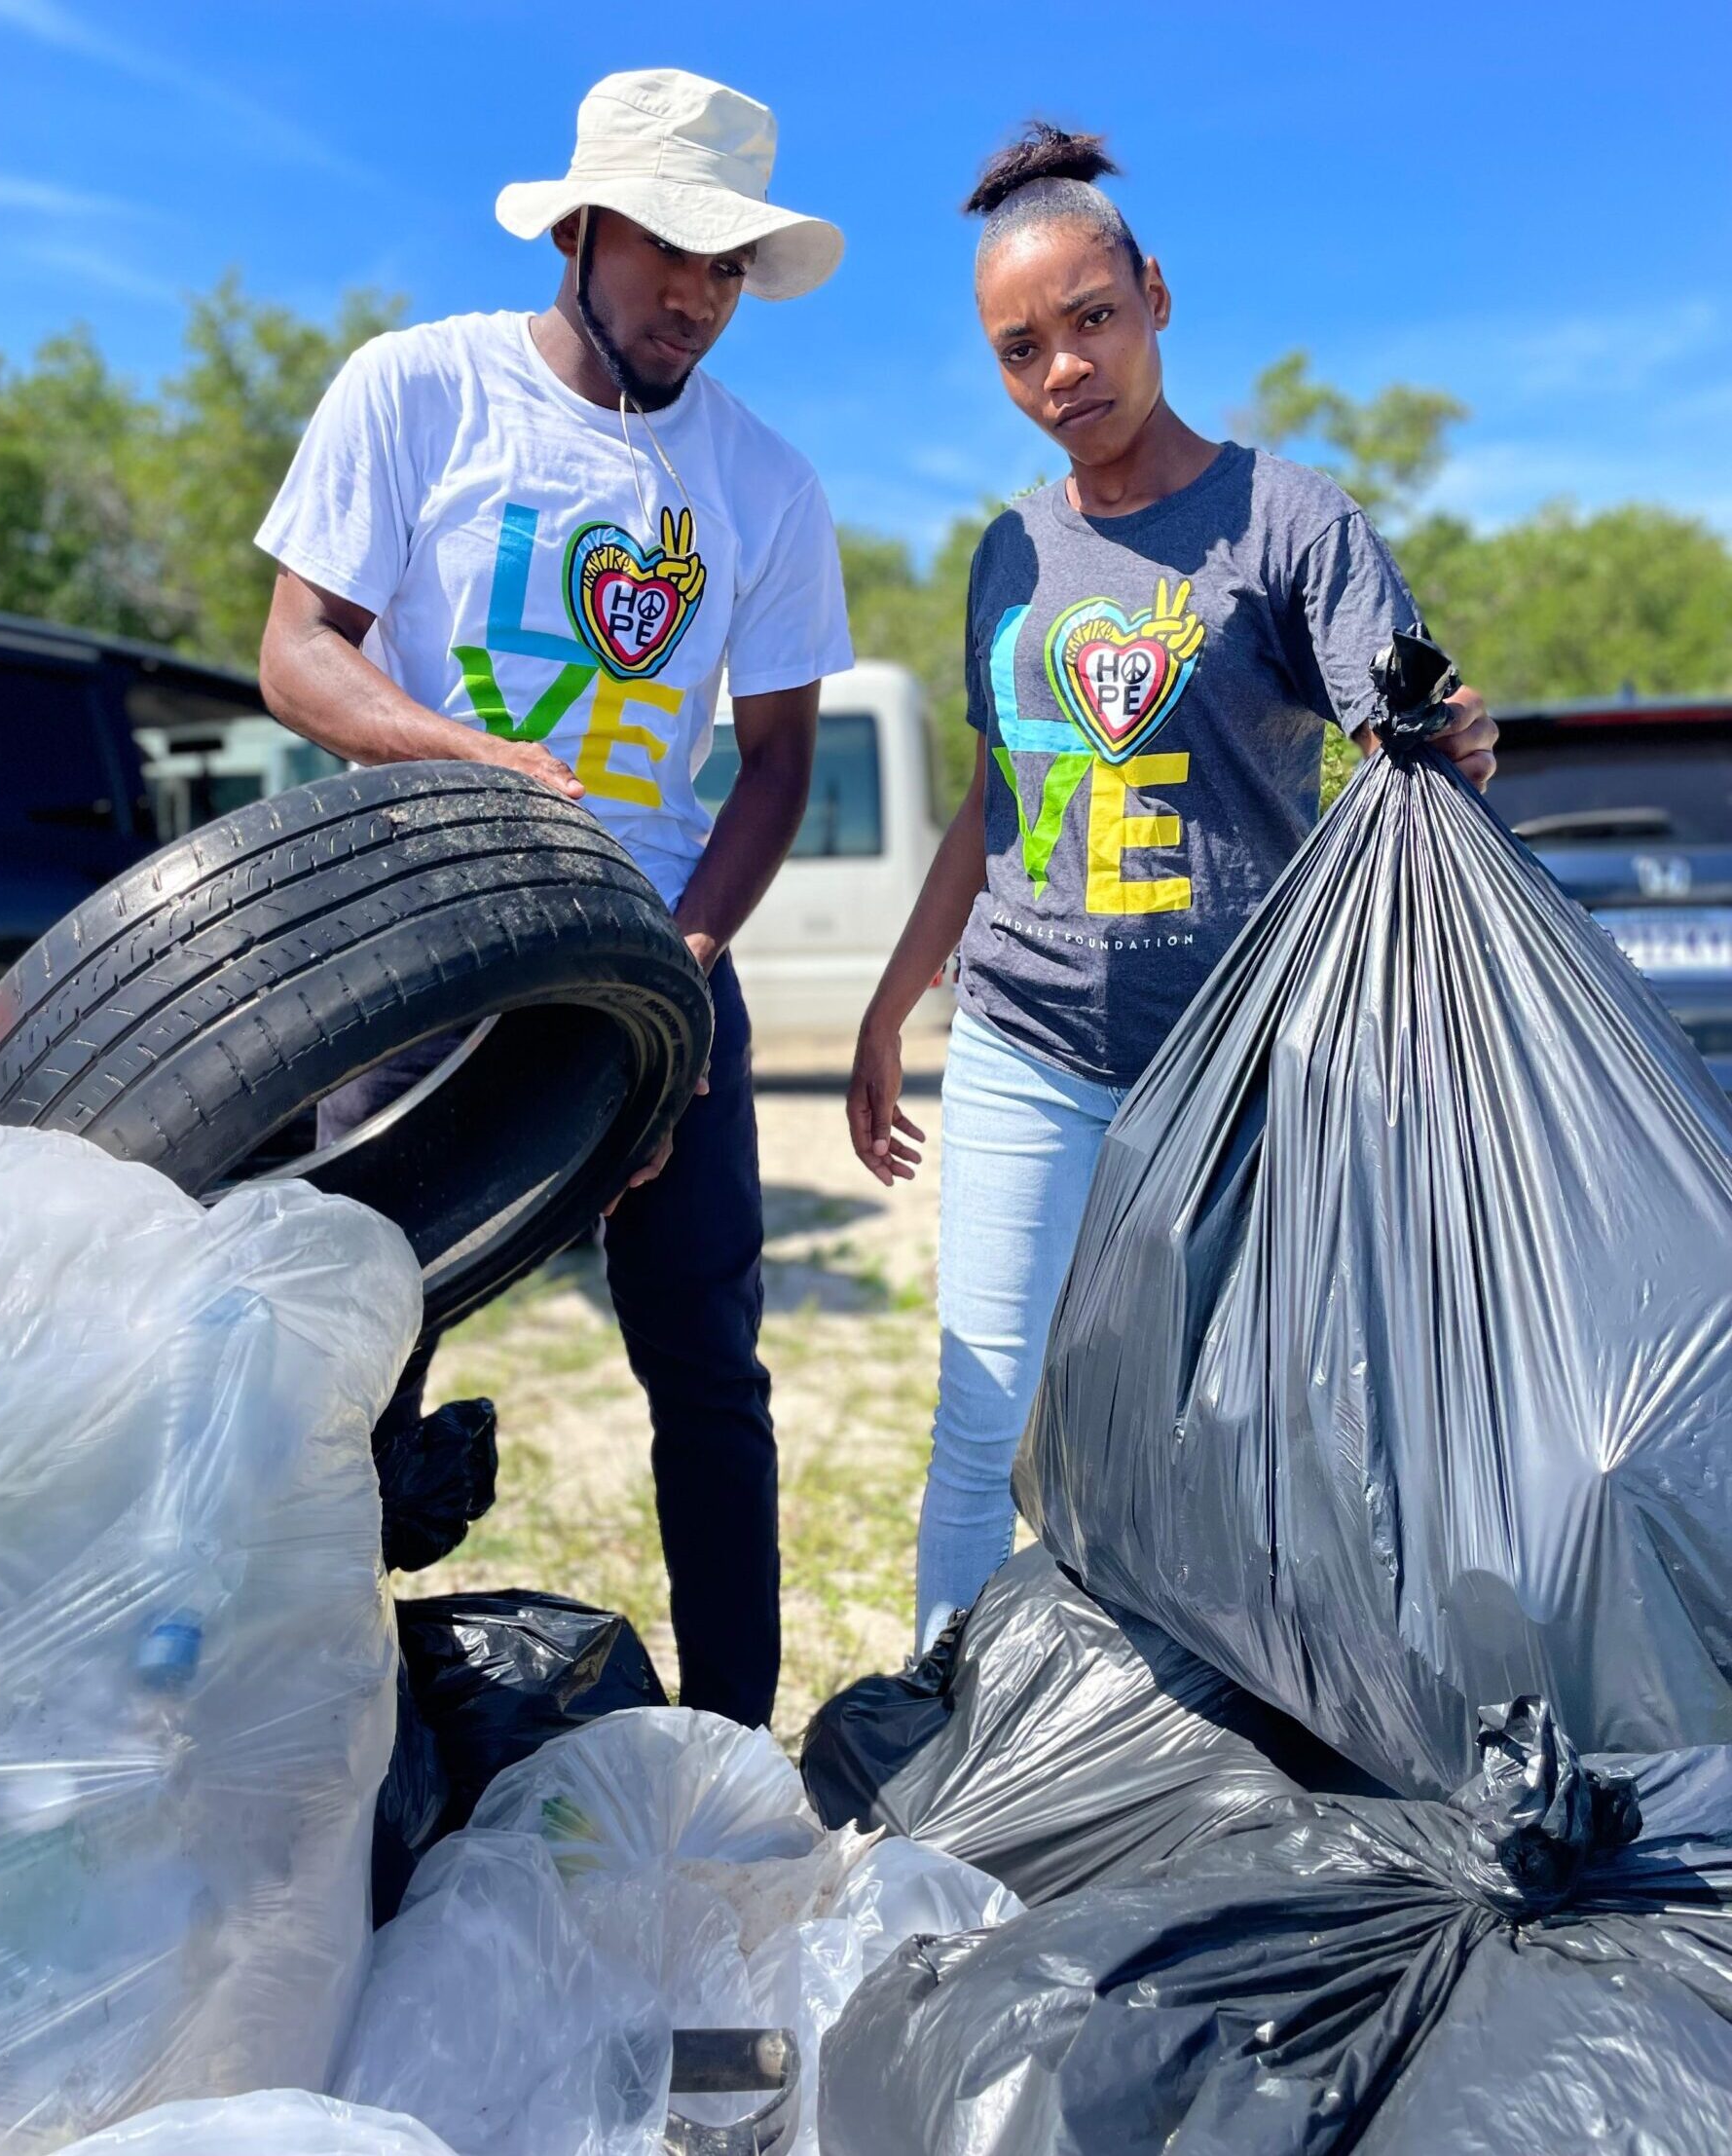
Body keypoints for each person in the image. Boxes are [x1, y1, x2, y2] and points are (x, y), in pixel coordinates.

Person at [845, 123, 1499, 1653]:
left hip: (1236, 1068)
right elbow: (1000, 796)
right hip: (1025, 1042)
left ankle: (1253, 1730)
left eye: (1091, 319)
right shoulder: (1006, 551)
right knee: (986, 1416)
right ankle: (953, 1730)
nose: (1063, 368)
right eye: (1021, 349)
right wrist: (890, 1009)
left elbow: (1405, 742)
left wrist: (1455, 732)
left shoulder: (1290, 520)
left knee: (1250, 1425)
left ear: (1153, 296)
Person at [256, 68, 853, 1729]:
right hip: (421, 936)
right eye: (671, 245)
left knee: (710, 1372)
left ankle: (737, 1743)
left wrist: (676, 989)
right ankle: (301, 1735)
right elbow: (299, 650)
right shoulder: (416, 388)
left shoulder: (768, 483)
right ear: (581, 226)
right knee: (357, 1344)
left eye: (730, 265)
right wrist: (456, 754)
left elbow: (780, 763)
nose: (699, 294)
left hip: (655, 947)